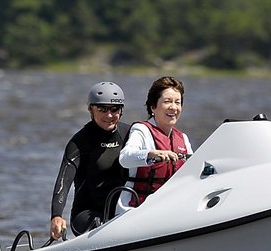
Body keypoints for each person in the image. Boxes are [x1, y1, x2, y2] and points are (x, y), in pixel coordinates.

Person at [49, 81, 131, 239]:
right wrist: (56, 216)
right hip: (87, 215)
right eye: (102, 109)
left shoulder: (131, 134)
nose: (109, 115)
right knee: (103, 226)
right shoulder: (79, 142)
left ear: (121, 110)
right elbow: (63, 183)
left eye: (114, 109)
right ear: (90, 110)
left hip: (123, 212)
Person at [116, 76, 192, 214]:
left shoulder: (183, 138)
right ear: (153, 106)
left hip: (169, 209)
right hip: (135, 209)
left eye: (178, 102)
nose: (173, 107)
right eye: (167, 101)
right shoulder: (141, 130)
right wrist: (151, 154)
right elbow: (124, 158)